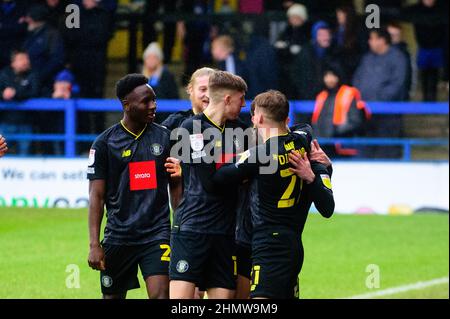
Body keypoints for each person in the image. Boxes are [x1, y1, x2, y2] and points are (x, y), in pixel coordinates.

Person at [211, 90, 335, 299]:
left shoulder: (261, 154)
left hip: (270, 245)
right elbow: (328, 207)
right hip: (292, 241)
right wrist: (319, 173)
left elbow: (221, 177)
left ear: (258, 118)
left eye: (253, 116)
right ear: (286, 117)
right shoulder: (304, 140)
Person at [87, 73, 182, 299]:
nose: (153, 106)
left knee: (161, 296)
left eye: (154, 100)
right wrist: (94, 244)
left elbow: (176, 188)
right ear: (126, 105)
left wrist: (179, 229)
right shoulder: (104, 144)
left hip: (156, 234)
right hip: (118, 236)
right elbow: (96, 197)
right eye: (146, 101)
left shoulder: (166, 138)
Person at [169, 71, 248, 299]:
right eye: (241, 99)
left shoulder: (241, 131)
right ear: (227, 99)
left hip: (226, 232)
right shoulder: (191, 128)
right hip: (193, 228)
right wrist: (244, 163)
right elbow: (210, 182)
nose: (244, 105)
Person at [352, 28, 408, 158]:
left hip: (388, 114)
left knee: (387, 149)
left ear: (382, 40)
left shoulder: (398, 57)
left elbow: (397, 83)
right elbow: (357, 79)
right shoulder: (367, 58)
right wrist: (361, 100)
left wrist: (377, 100)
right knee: (366, 148)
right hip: (366, 113)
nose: (369, 42)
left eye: (372, 38)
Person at [311, 64, 370, 158]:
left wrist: (335, 131)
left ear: (338, 76)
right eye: (327, 75)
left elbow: (355, 120)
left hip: (345, 146)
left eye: (332, 75)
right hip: (324, 147)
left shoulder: (349, 93)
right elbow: (317, 121)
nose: (329, 79)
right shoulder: (321, 96)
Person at [0, 50, 39, 155]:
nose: (25, 62)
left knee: (25, 153)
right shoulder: (4, 74)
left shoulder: (33, 74)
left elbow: (35, 92)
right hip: (7, 121)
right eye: (21, 59)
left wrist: (15, 93)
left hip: (25, 122)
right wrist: (3, 94)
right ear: (13, 63)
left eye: (27, 59)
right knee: (2, 153)